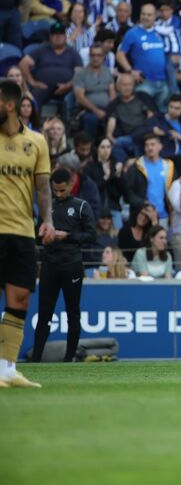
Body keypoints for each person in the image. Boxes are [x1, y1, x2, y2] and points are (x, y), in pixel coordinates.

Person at [0, 79, 52, 387]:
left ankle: (7, 369)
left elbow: (42, 188)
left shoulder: (37, 142)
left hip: (22, 231)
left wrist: (47, 220)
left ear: (9, 104)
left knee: (19, 299)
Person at [30, 168, 96, 363]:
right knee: (44, 313)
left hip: (72, 265)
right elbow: (36, 234)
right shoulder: (45, 207)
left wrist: (68, 236)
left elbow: (91, 236)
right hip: (50, 264)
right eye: (55, 190)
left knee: (72, 312)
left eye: (62, 190)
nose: (58, 194)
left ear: (71, 184)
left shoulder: (81, 206)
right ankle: (36, 359)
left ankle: (69, 359)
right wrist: (44, 237)